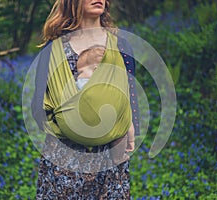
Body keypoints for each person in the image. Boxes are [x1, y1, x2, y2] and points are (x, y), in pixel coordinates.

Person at [32, 0, 139, 199]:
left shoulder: (121, 45)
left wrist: (127, 128)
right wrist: (71, 124)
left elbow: (129, 95)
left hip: (110, 158)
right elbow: (40, 106)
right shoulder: (54, 49)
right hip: (64, 159)